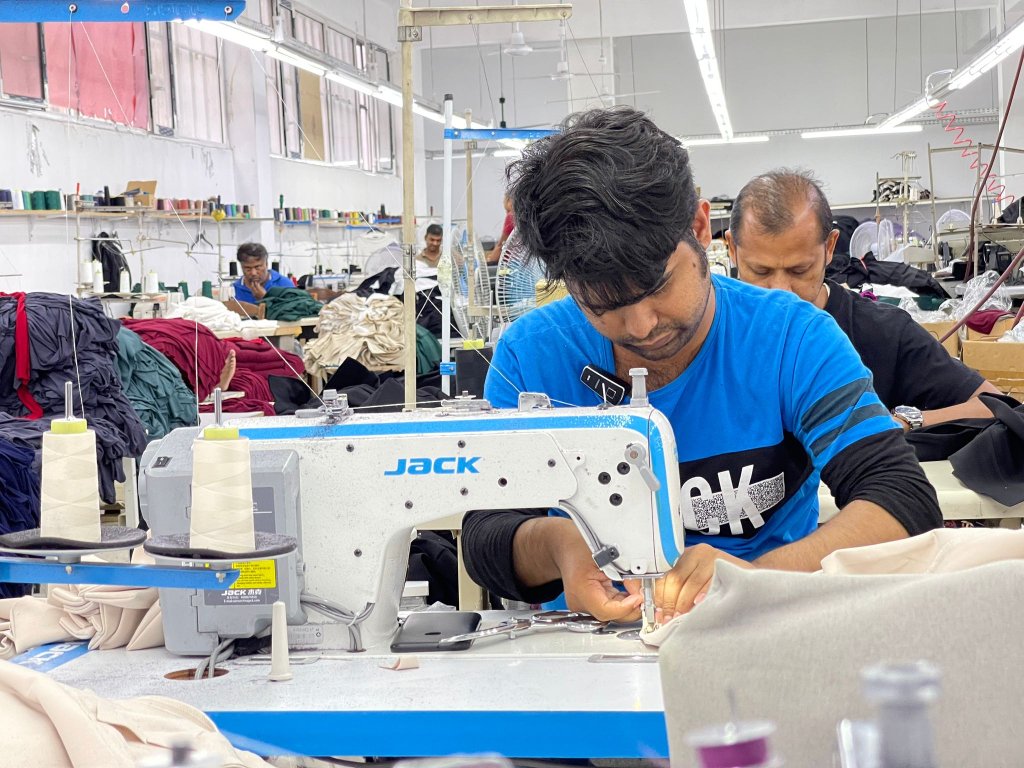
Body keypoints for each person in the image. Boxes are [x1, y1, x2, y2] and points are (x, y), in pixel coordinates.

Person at [460, 107, 941, 625]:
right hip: (591, 648)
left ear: (699, 227)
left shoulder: (792, 338)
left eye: (658, 286)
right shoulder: (532, 354)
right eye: (602, 305)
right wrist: (559, 547)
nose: (641, 326)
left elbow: (902, 500)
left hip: (764, 627)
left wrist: (756, 582)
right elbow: (485, 535)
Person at [725, 170, 1002, 431]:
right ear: (732, 250)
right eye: (761, 271)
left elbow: (995, 405)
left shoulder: (885, 332)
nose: (781, 291)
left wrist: (899, 422)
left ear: (830, 247)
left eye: (799, 271)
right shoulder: (708, 333)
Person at [486, 194, 515, 265]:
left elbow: (501, 244)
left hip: (509, 261)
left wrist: (489, 259)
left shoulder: (511, 216)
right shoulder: (524, 217)